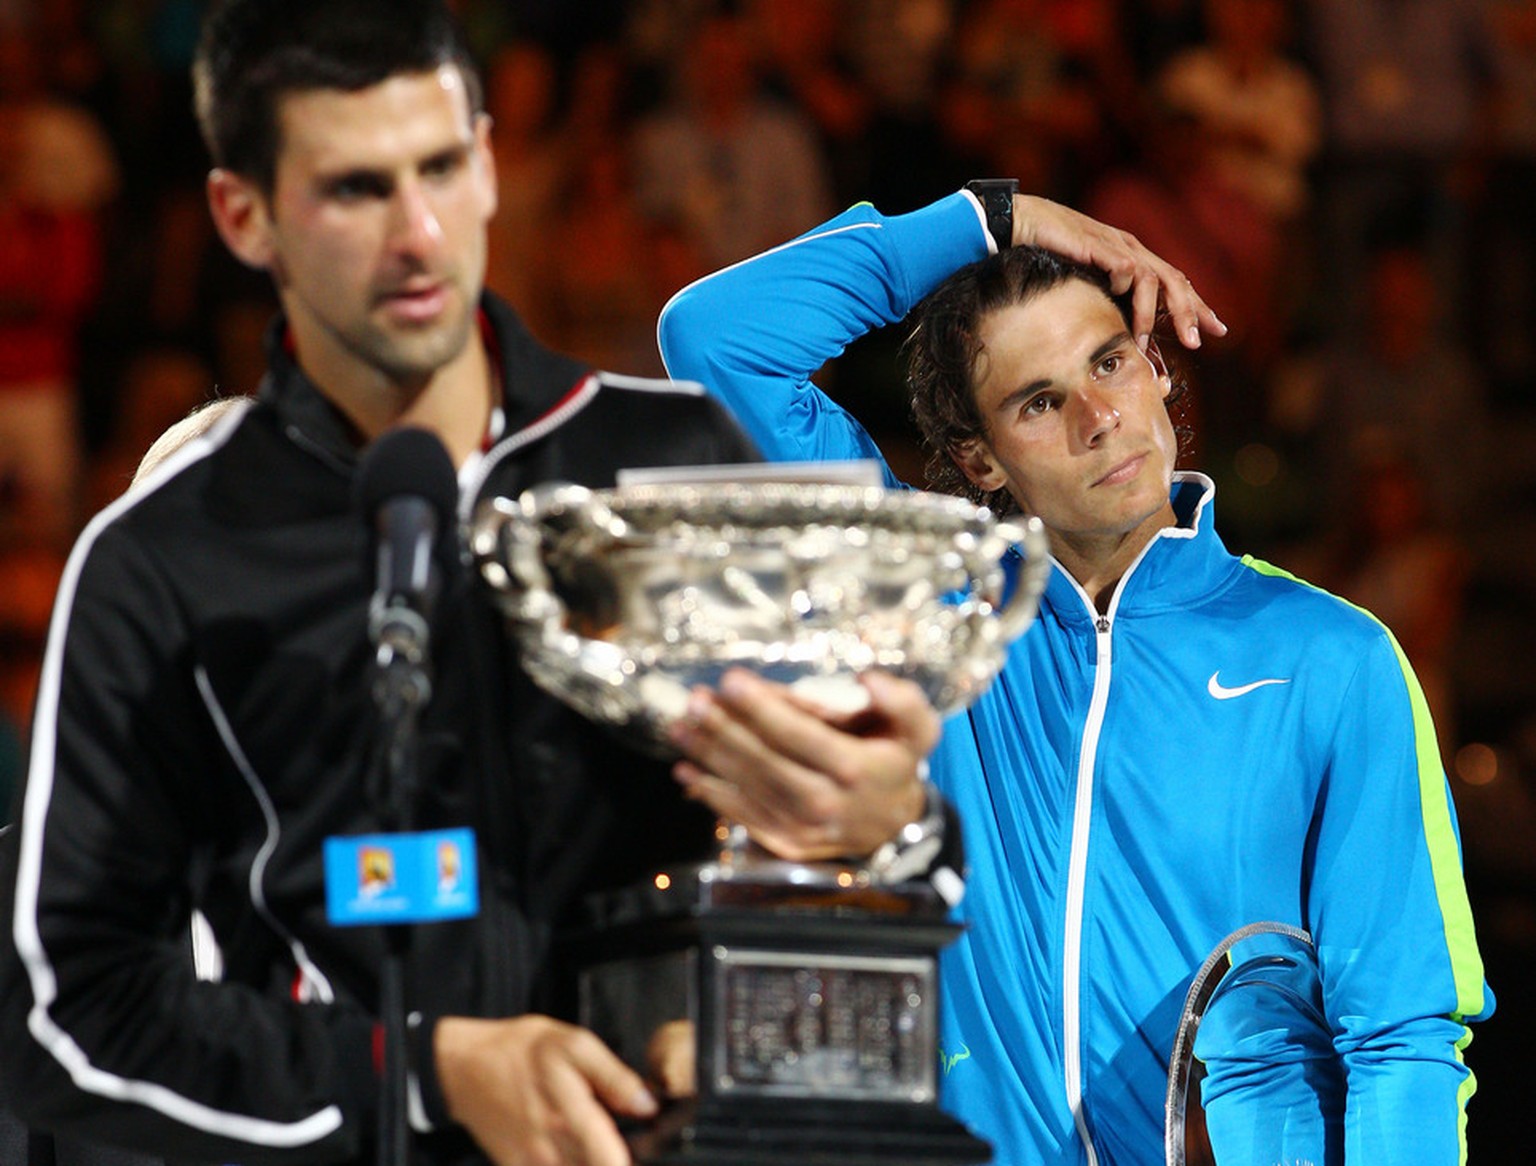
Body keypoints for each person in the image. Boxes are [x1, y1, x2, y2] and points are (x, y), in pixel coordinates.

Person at [0, 4, 954, 1166]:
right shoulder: (162, 555)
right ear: (244, 216)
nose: (416, 232)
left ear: (493, 164)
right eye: (354, 187)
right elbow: (67, 1014)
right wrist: (424, 1071)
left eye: (441, 168)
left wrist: (884, 829)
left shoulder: (674, 469)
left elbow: (851, 861)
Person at [657, 183, 1491, 1165]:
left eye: (1111, 362)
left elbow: (1401, 1031)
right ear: (979, 459)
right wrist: (993, 217)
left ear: (1155, 368)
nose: (1100, 418)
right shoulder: (930, 607)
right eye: (1040, 400)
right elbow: (715, 339)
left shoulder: (1330, 656)